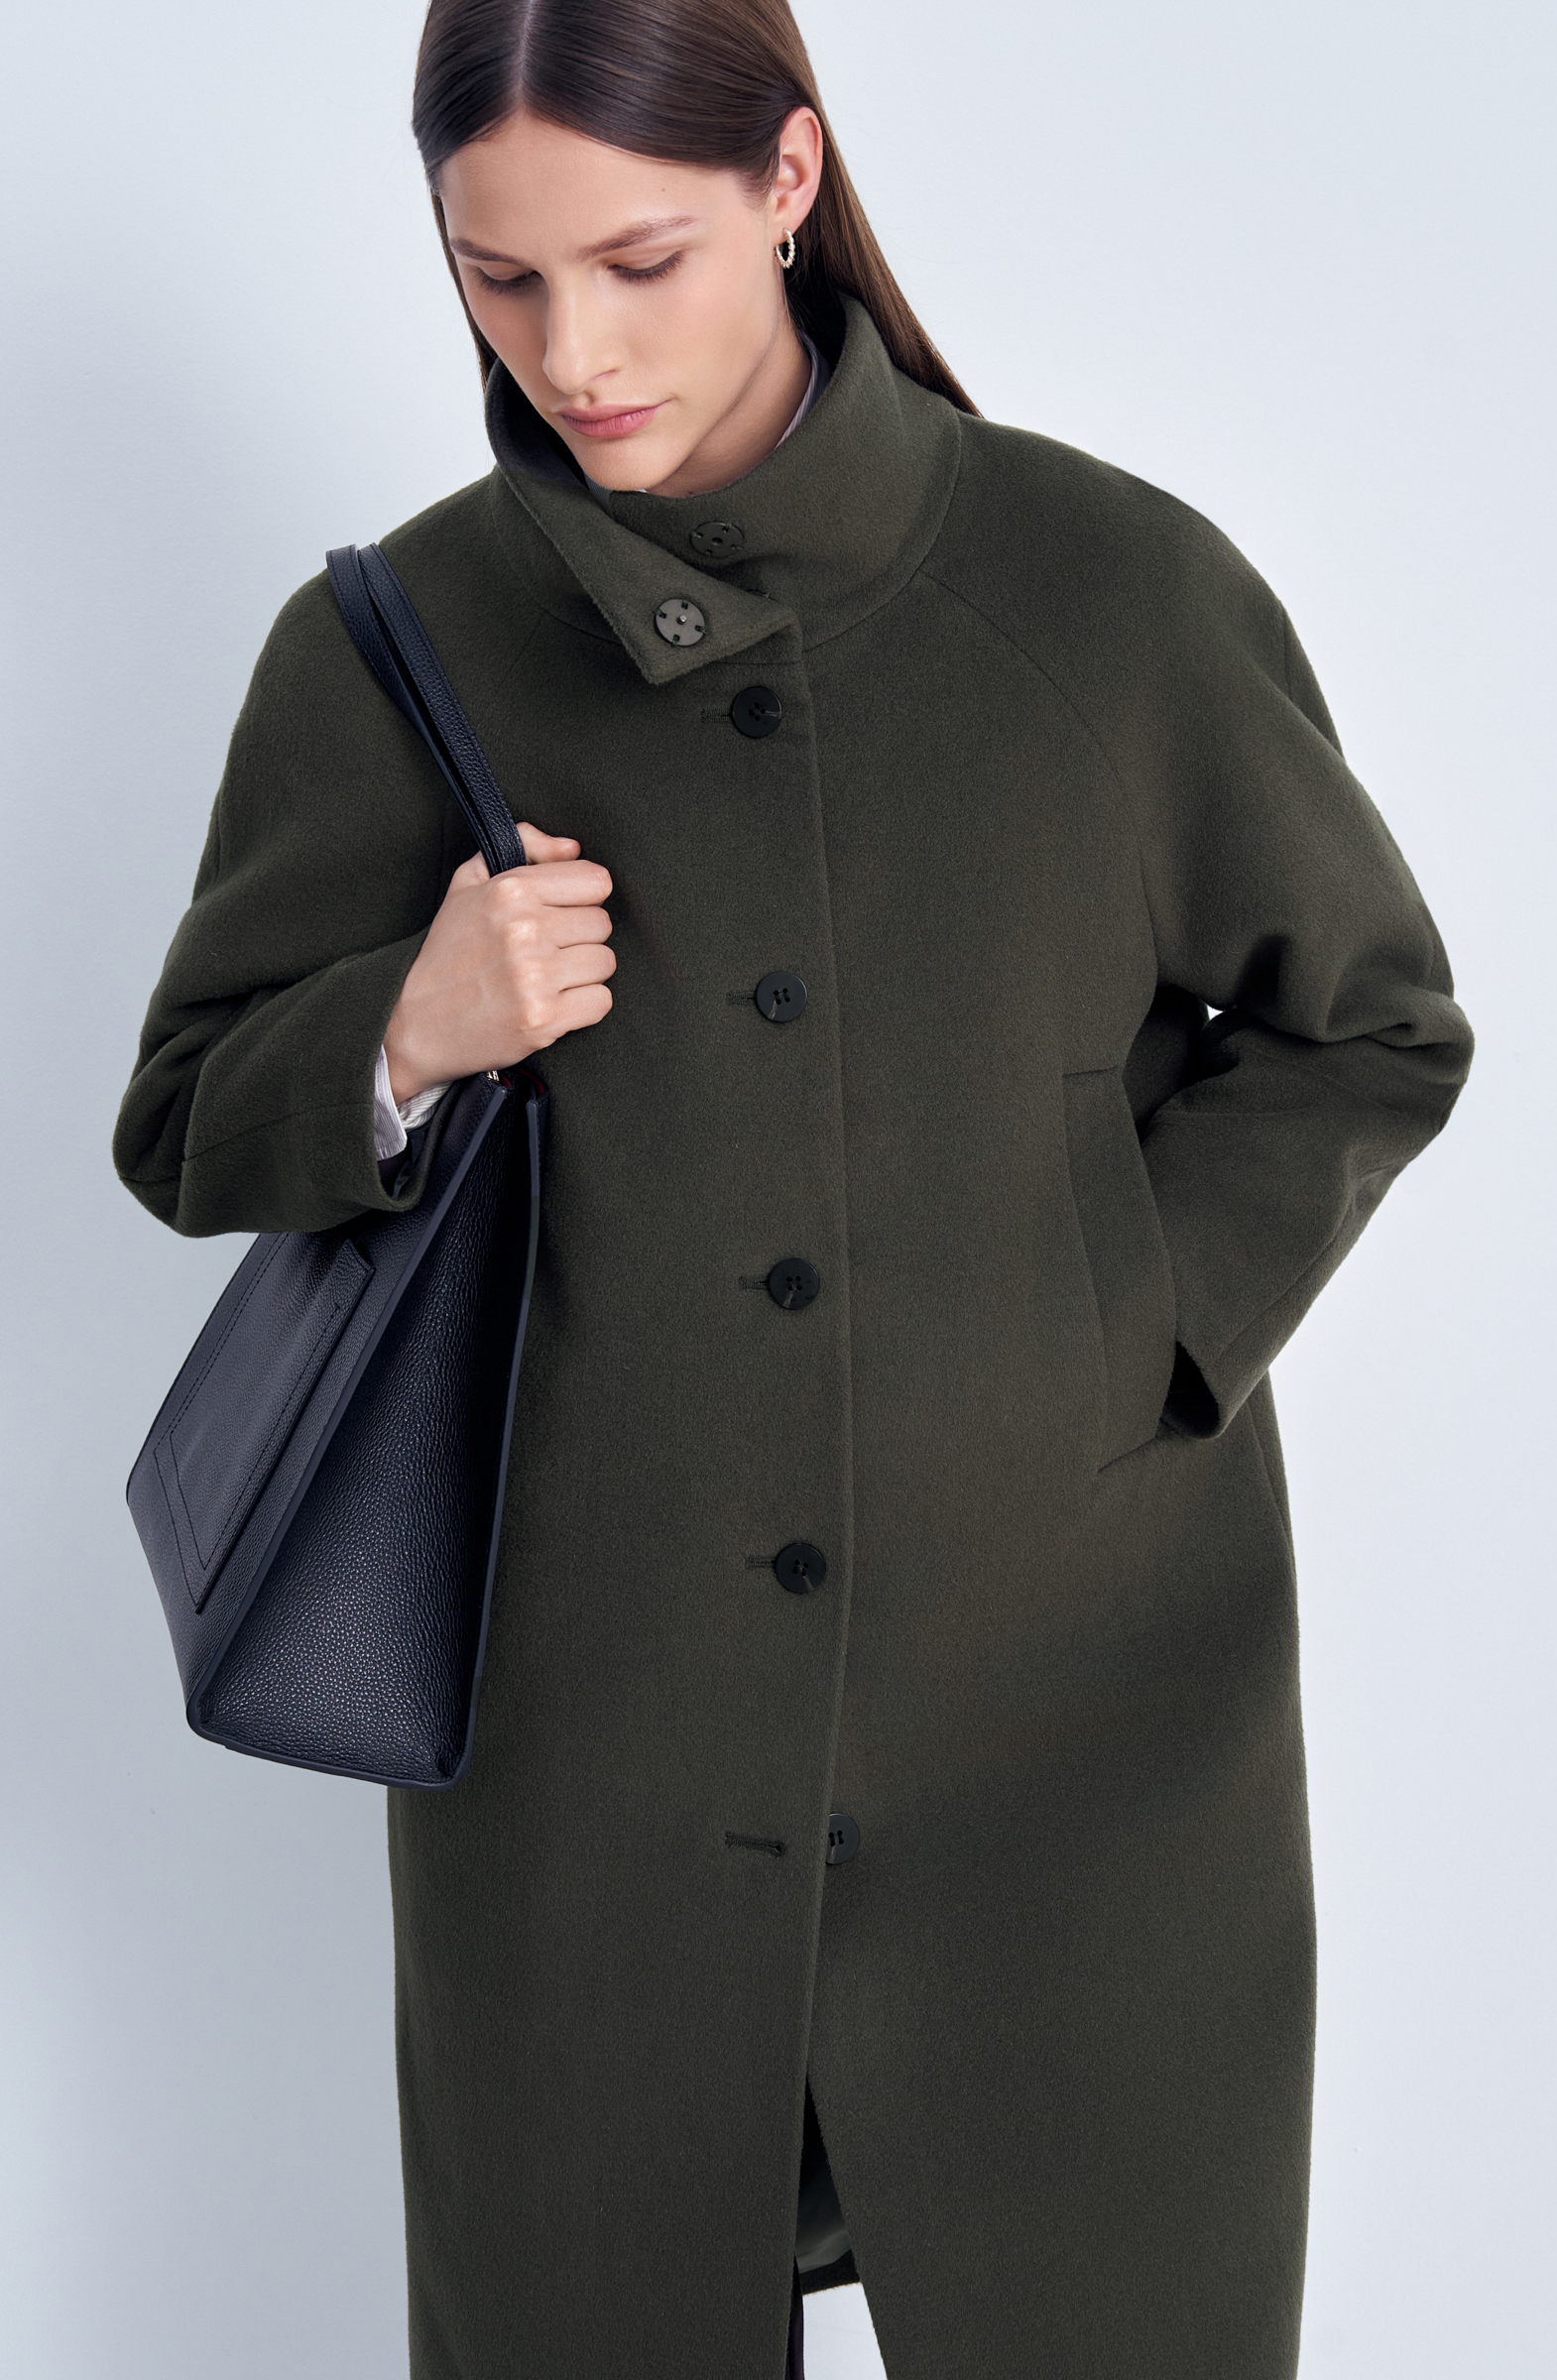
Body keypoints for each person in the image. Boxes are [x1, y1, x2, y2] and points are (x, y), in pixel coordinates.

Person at [113, 2, 1474, 2373]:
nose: (572, 352)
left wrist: (1123, 1315)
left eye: (635, 260)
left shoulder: (1108, 595)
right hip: (590, 1777)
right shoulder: (392, 647)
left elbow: (1368, 1023)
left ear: (784, 180)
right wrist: (409, 1027)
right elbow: (186, 1120)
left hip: (1083, 1747)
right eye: (497, 277)